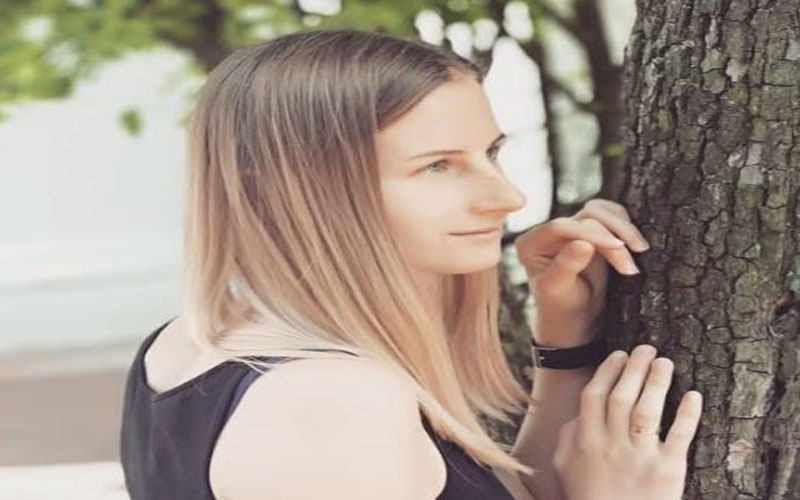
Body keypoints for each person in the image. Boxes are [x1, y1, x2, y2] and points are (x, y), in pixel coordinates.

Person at [119, 28, 703, 500]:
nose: (507, 197)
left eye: (490, 153)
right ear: (285, 187)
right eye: (436, 166)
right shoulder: (332, 402)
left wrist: (565, 344)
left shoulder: (184, 344)